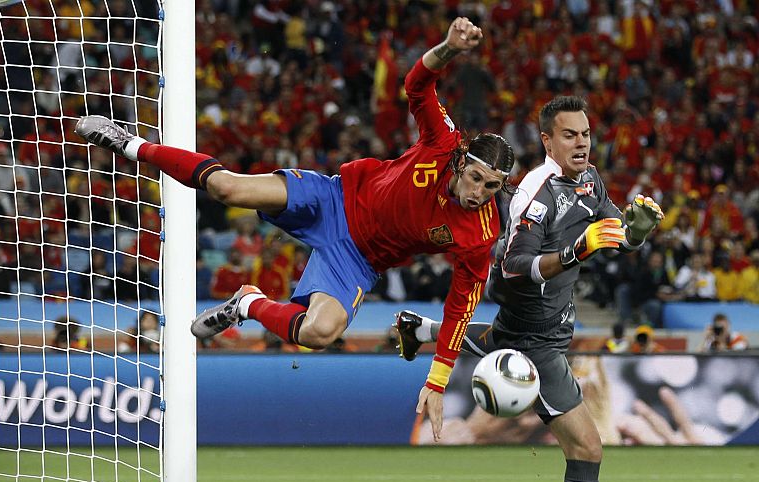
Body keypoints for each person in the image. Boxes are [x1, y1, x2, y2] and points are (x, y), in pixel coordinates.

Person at [76, 17, 515, 417]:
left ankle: (246, 303)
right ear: (461, 163)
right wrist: (449, 48)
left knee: (321, 333)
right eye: (476, 178)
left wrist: (437, 381)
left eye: (491, 187)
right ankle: (130, 143)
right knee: (228, 187)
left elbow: (461, 305)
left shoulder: (479, 233)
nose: (479, 194)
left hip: (358, 260)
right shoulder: (443, 143)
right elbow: (417, 84)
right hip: (333, 198)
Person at [395, 95, 664, 482]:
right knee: (586, 449)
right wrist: (573, 252)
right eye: (569, 135)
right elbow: (514, 266)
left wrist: (637, 234)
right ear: (547, 141)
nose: (582, 142)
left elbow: (612, 236)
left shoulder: (591, 183)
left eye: (585, 133)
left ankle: (422, 328)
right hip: (536, 336)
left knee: (500, 342)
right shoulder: (533, 195)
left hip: (540, 327)